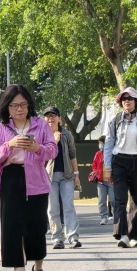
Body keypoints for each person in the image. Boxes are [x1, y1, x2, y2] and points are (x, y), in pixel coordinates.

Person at [0, 84, 57, 271]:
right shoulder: (1, 129)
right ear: (7, 107)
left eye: (23, 104)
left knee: (36, 227)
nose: (19, 109)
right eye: (14, 105)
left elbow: (53, 150)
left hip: (37, 180)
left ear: (29, 105)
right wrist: (10, 144)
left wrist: (38, 148)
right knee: (12, 228)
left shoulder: (41, 125)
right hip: (11, 178)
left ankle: (38, 269)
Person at [103, 87, 137, 248]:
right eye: (124, 99)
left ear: (136, 102)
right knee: (119, 200)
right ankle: (123, 235)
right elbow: (108, 144)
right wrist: (107, 167)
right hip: (119, 161)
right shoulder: (115, 119)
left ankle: (134, 236)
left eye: (130, 98)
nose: (127, 101)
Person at [43, 106, 82, 249]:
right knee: (52, 208)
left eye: (53, 115)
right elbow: (41, 156)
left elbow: (73, 154)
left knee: (68, 206)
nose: (50, 118)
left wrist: (76, 175)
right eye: (47, 116)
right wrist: (53, 141)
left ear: (59, 118)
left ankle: (73, 237)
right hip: (49, 176)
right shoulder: (42, 135)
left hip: (67, 175)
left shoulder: (66, 134)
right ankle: (57, 238)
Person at [90, 135, 114, 225]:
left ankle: (116, 215)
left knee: (113, 200)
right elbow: (94, 165)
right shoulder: (98, 154)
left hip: (111, 181)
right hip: (101, 181)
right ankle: (103, 217)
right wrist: (96, 173)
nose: (100, 145)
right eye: (99, 143)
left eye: (101, 143)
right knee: (101, 201)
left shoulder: (112, 153)